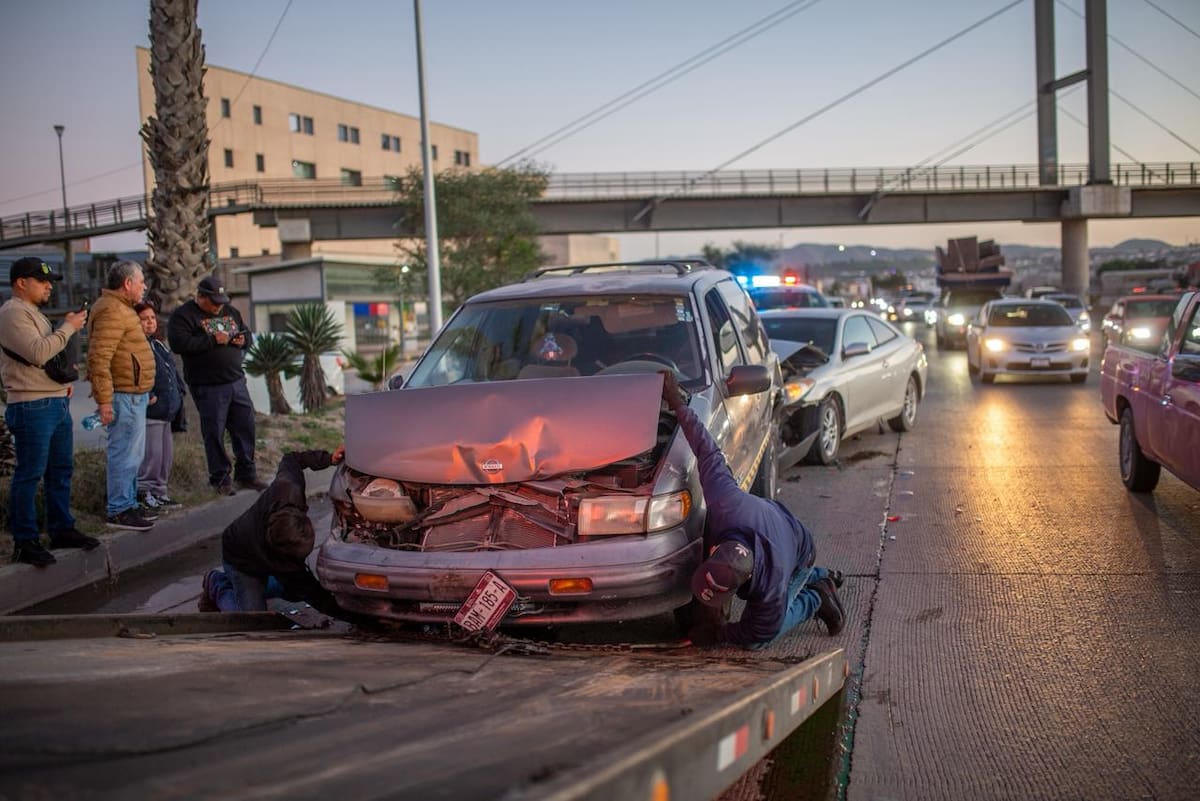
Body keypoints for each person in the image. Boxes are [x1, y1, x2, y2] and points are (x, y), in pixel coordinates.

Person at [660, 371, 845, 648]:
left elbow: (755, 633)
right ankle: (818, 576)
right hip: (776, 525)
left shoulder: (770, 588)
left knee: (760, 642)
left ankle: (817, 595)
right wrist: (678, 404)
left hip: (798, 552)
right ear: (714, 551)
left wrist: (717, 636)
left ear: (745, 582)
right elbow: (706, 448)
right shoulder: (725, 503)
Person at [0, 257, 99, 566]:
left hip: (52, 401)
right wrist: (68, 327)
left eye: (50, 281)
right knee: (29, 474)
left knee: (60, 471)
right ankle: (25, 541)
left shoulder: (33, 313)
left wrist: (60, 384)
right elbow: (38, 352)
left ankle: (61, 529)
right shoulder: (13, 313)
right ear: (21, 283)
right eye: (42, 281)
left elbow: (45, 358)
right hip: (31, 406)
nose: (49, 286)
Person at [198, 446, 344, 613]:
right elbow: (315, 596)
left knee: (297, 591)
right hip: (240, 560)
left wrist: (328, 458)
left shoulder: (288, 489)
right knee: (252, 621)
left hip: (262, 556)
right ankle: (217, 584)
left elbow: (292, 458)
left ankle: (262, 586)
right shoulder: (283, 562)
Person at [167, 276, 265, 496]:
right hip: (208, 386)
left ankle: (247, 475)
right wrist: (213, 340)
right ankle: (220, 479)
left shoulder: (231, 311)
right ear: (200, 297)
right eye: (214, 302)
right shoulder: (183, 316)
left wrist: (243, 340)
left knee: (245, 428)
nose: (219, 306)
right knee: (214, 432)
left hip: (236, 381)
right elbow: (179, 344)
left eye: (222, 301)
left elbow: (247, 333)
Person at [87, 261, 157, 531]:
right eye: (141, 282)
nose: (144, 287)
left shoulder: (121, 309)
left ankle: (128, 504)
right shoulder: (113, 310)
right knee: (124, 453)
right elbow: (99, 358)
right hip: (123, 396)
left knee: (133, 454)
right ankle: (119, 509)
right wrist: (104, 401)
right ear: (128, 283)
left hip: (134, 394)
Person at [134, 302, 185, 511]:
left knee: (165, 456)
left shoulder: (157, 344)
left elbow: (171, 371)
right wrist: (150, 395)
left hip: (167, 412)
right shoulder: (136, 345)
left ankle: (160, 492)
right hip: (152, 412)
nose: (150, 322)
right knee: (151, 456)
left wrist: (180, 392)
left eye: (152, 318)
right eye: (144, 318)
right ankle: (144, 493)